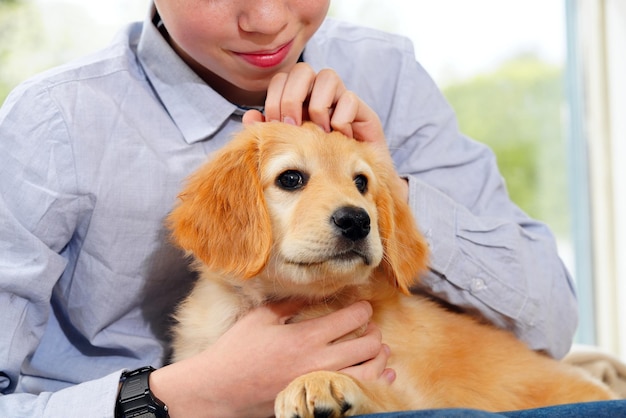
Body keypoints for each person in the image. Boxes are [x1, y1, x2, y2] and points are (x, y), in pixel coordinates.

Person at [0, 1, 582, 417]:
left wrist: (384, 185)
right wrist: (193, 394)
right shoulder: (55, 121)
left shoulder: (389, 72)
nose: (268, 20)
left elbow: (550, 328)